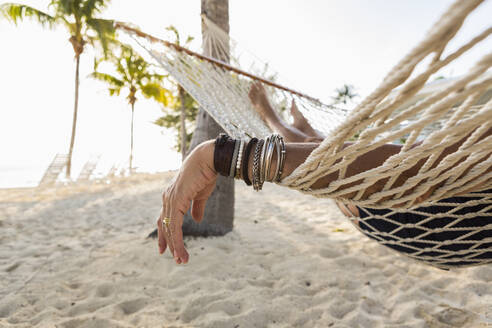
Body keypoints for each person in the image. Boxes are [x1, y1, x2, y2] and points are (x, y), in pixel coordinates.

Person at [157, 82, 491, 267]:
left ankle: (282, 123)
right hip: (416, 201)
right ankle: (292, 127)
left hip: (402, 208)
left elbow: (417, 166)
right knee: (320, 145)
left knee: (321, 147)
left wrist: (224, 155)